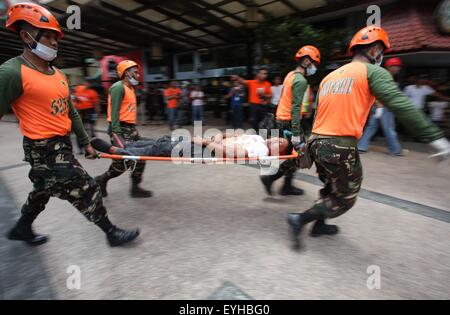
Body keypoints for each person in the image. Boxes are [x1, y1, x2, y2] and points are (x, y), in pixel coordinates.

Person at [286, 26, 450, 249]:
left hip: (316, 142)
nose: (381, 56)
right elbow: (401, 104)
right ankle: (300, 219)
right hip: (339, 146)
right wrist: (435, 138)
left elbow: (319, 112)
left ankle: (319, 224)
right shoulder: (372, 72)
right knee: (345, 196)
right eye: (381, 50)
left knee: (330, 186)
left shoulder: (329, 77)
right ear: (374, 49)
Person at [0, 3, 139, 247]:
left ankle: (22, 228)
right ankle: (111, 233)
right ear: (26, 36)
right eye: (49, 36)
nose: (55, 42)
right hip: (41, 148)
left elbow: (72, 112)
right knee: (86, 187)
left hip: (61, 144)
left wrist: (85, 142)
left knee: (42, 191)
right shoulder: (11, 72)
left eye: (57, 37)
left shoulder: (59, 75)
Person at [261, 45, 321, 196]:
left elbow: (283, 99)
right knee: (300, 154)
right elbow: (295, 107)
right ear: (307, 61)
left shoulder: (290, 75)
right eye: (313, 63)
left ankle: (285, 185)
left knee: (294, 154)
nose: (314, 68)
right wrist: (295, 133)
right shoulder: (300, 81)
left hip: (282, 120)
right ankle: (272, 179)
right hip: (289, 123)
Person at [94, 60, 153, 198]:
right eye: (135, 72)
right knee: (126, 162)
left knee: (139, 157)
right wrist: (116, 134)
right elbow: (113, 113)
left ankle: (134, 187)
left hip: (131, 130)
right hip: (119, 129)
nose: (138, 75)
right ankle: (101, 180)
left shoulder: (131, 89)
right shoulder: (117, 87)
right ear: (126, 73)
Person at [91, 133, 292, 160]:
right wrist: (217, 136)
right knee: (166, 139)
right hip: (209, 143)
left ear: (278, 152)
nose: (275, 141)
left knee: (163, 148)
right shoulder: (257, 137)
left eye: (279, 144)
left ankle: (119, 150)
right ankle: (126, 144)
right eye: (278, 139)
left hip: (207, 151)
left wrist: (207, 142)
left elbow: (231, 153)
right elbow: (233, 136)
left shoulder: (261, 151)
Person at [358, 57, 404, 156]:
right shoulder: (384, 75)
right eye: (395, 66)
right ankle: (395, 149)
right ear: (389, 66)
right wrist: (378, 104)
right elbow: (375, 89)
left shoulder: (387, 75)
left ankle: (361, 146)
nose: (397, 68)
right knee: (389, 128)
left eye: (398, 66)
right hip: (383, 106)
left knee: (372, 127)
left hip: (380, 106)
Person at [73, 80, 100, 153]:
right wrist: (76, 100)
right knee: (80, 129)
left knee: (91, 128)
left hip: (90, 111)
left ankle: (94, 145)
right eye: (86, 82)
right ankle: (81, 148)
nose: (87, 84)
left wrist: (97, 113)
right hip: (80, 111)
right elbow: (74, 97)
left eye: (89, 83)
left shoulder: (93, 92)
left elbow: (96, 104)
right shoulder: (79, 88)